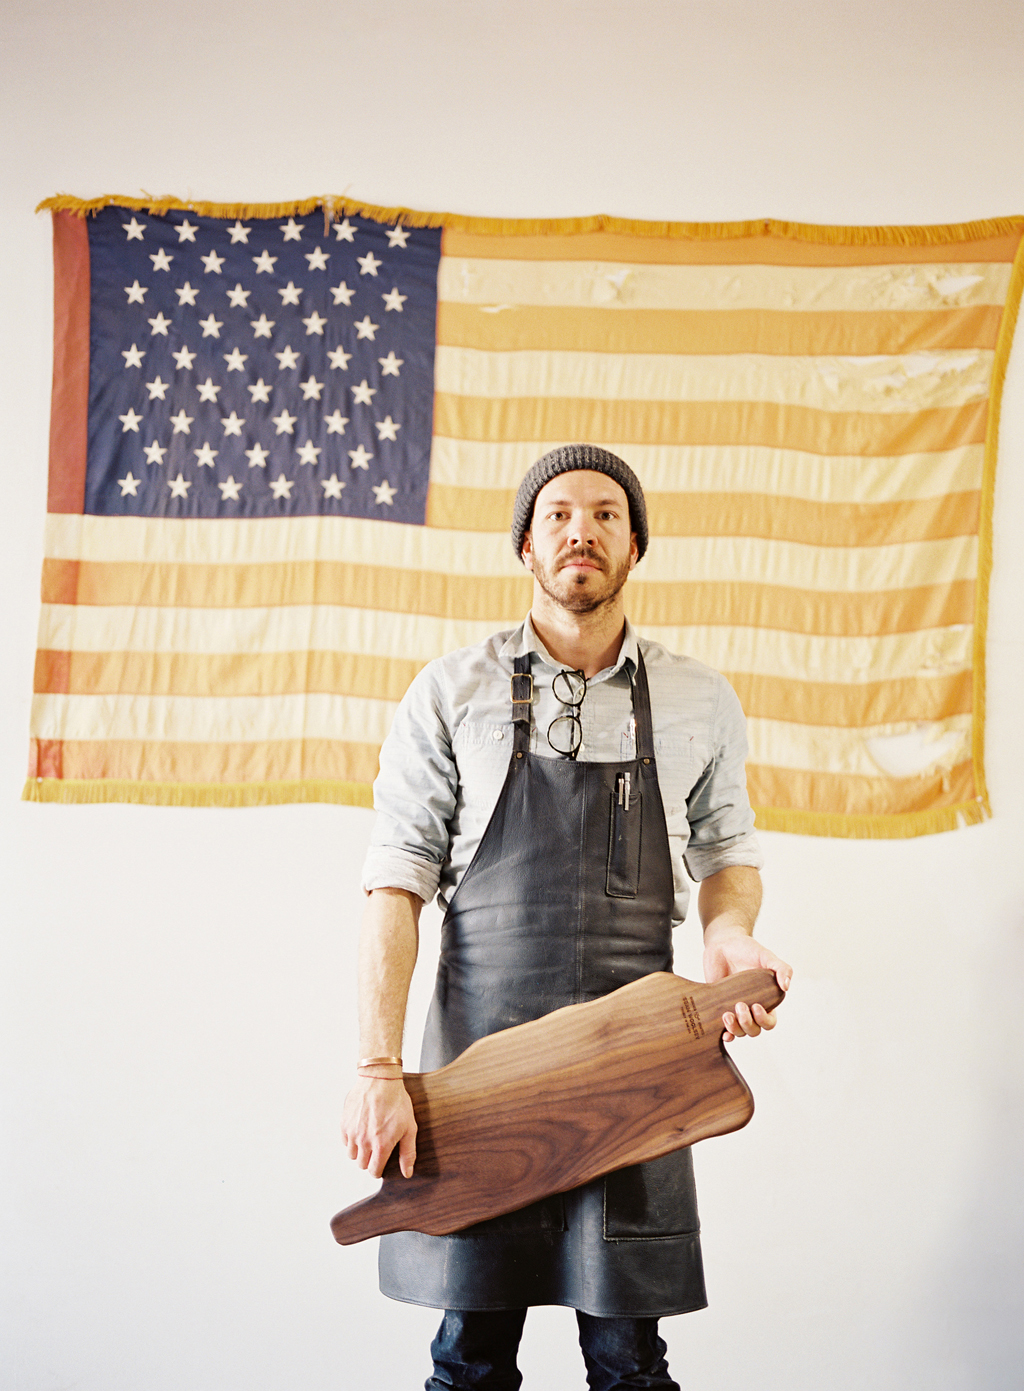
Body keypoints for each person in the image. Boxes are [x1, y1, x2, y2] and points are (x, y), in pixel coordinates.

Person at [342, 444, 793, 1390]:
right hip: (484, 1069)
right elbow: (395, 884)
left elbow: (727, 855)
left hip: (640, 1066)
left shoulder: (699, 697)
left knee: (630, 1360)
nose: (580, 529)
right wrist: (377, 1067)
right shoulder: (448, 691)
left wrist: (727, 936)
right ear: (526, 545)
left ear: (635, 547)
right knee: (469, 1359)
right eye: (557, 514)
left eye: (604, 514)